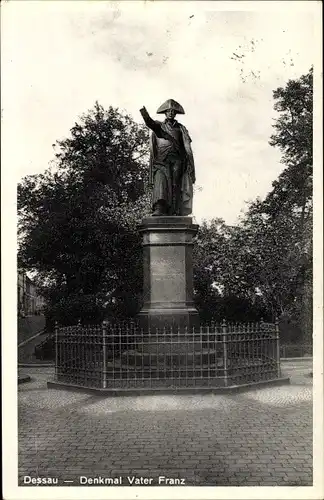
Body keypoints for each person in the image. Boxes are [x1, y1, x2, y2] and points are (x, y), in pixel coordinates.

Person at [140, 99, 195, 216]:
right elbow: (149, 122)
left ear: (175, 114)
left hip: (177, 160)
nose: (171, 113)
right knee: (160, 179)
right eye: (168, 111)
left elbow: (187, 148)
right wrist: (143, 112)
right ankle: (159, 208)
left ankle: (175, 211)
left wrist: (191, 166)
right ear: (165, 113)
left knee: (176, 184)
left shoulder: (181, 129)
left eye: (173, 111)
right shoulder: (159, 126)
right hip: (161, 161)